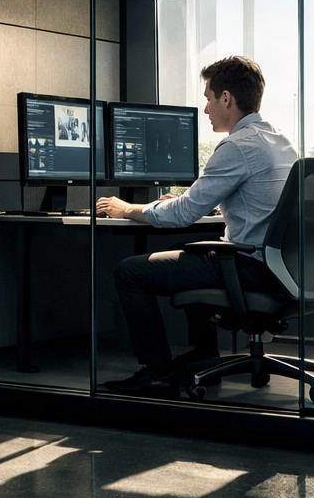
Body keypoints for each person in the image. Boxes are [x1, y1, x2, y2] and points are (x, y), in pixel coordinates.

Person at [95, 56, 296, 396]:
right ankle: (206, 359)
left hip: (253, 267)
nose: (205, 109)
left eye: (208, 97)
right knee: (196, 253)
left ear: (227, 98)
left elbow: (183, 215)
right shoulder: (278, 140)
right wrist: (187, 198)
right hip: (283, 266)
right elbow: (254, 198)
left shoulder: (237, 145)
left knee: (130, 272)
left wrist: (128, 208)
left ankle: (157, 372)